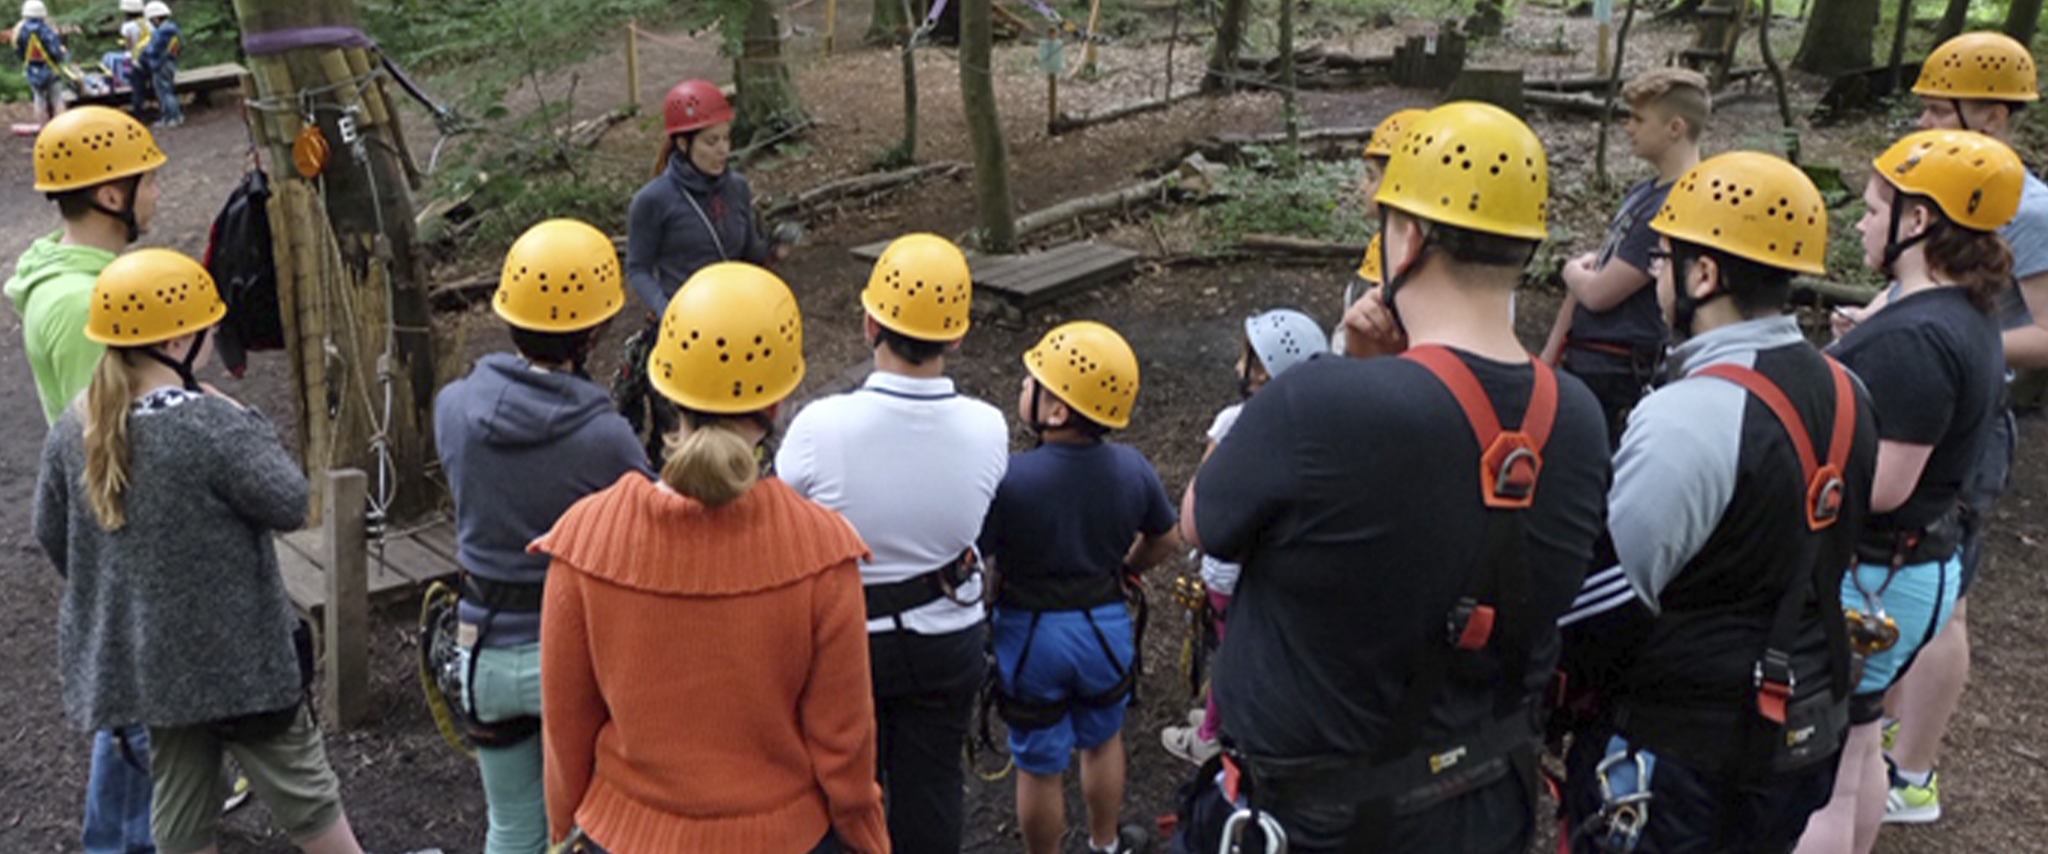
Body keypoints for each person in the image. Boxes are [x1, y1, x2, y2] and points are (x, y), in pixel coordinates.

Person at [1177, 101, 1610, 854]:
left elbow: (1199, 522)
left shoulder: (1317, 401)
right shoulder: (1577, 415)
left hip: (1316, 820)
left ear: (1406, 235)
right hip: (1481, 803)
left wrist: (1353, 374)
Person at [1556, 152, 1878, 853]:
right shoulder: (1848, 391)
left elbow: (1611, 597)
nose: (1659, 277)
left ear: (1705, 274)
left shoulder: (1694, 414)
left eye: (1666, 259)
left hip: (1681, 752)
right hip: (1802, 725)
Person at [33, 248, 381, 854]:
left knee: (182, 812)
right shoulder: (209, 428)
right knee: (310, 801)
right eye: (208, 326)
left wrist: (123, 583)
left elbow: (51, 531)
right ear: (176, 342)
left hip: (152, 672)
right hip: (240, 667)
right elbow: (290, 501)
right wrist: (244, 418)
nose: (216, 333)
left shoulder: (75, 426)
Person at [534, 262, 887, 854]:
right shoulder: (822, 551)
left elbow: (565, 727)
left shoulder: (586, 541)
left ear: (665, 390)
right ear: (776, 406)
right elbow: (845, 745)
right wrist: (868, 838)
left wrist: (565, 824)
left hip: (622, 838)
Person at [1794, 129, 2022, 854]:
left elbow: (1884, 485)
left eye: (1872, 209)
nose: (1860, 223)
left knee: (1821, 772)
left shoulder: (1918, 339)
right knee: (1858, 746)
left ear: (1917, 221)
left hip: (1873, 575)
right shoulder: (1959, 313)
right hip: (1911, 571)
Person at [1851, 30, 2048, 825]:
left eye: (1941, 108)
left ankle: (1913, 772)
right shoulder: (1950, 192)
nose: (1927, 121)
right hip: (1930, 393)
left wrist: (1937, 348)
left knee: (1942, 593)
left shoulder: (2024, 207)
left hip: (1960, 419)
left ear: (1994, 115)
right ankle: (1879, 742)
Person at [775, 233, 1008, 854]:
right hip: (947, 638)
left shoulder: (820, 427)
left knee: (839, 795)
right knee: (932, 788)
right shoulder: (989, 428)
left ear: (869, 321)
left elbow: (785, 518)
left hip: (844, 645)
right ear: (956, 337)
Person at [432, 219, 649, 854]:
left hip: (484, 654)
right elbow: (647, 518)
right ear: (596, 330)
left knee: (513, 827)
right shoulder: (605, 438)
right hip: (576, 658)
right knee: (585, 829)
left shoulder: (453, 409)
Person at [6, 104, 165, 854]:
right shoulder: (81, 305)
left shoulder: (81, 279)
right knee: (134, 710)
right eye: (148, 180)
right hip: (124, 533)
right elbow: (104, 443)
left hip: (117, 531)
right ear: (111, 196)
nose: (158, 190)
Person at [978, 320, 1180, 854]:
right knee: (1102, 739)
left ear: (1057, 409)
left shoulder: (1012, 479)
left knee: (1040, 766)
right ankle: (1105, 843)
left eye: (1032, 383)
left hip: (1030, 637)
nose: (1023, 388)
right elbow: (1167, 537)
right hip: (1104, 627)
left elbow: (983, 556)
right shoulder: (1132, 469)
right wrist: (1129, 568)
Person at [1158, 307, 1324, 765]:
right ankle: (1218, 718)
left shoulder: (1235, 420)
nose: (1238, 369)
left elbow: (1205, 492)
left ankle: (1212, 735)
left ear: (1267, 373)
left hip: (1225, 567)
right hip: (1268, 564)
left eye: (1249, 361)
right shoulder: (1313, 428)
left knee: (1230, 653)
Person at [1540, 68, 1710, 446]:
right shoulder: (1644, 191)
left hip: (1618, 371)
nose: (1627, 127)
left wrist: (1568, 270)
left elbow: (1599, 291)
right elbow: (1596, 272)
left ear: (1675, 128)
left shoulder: (1676, 204)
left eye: (1638, 118)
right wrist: (1549, 356)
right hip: (1586, 358)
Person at [617, 78, 772, 463]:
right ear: (683, 145)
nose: (723, 150)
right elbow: (637, 267)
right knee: (680, 441)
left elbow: (749, 254)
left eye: (726, 139)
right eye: (711, 141)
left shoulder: (737, 188)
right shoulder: (653, 201)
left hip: (734, 329)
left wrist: (776, 249)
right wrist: (667, 308)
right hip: (680, 333)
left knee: (739, 433)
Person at [1333, 108, 1423, 352]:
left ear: (1398, 182)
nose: (1364, 187)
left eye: (1371, 176)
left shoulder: (1425, 272)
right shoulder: (1379, 248)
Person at [13, 1, 69, 122]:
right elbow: (55, 51)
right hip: (50, 70)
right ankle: (62, 129)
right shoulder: (45, 31)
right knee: (57, 99)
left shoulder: (19, 32)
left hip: (32, 71)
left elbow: (19, 52)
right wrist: (62, 53)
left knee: (39, 99)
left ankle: (42, 130)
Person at [137, 1, 179, 128]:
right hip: (169, 62)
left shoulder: (162, 32)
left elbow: (154, 49)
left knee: (165, 92)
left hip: (161, 64)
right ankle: (169, 117)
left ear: (156, 18)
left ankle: (172, 118)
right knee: (166, 91)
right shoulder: (172, 29)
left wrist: (143, 52)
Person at [117, 0, 154, 120]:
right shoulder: (148, 23)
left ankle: (139, 115)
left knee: (137, 88)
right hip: (151, 58)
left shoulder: (127, 26)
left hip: (136, 60)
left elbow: (129, 45)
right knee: (152, 85)